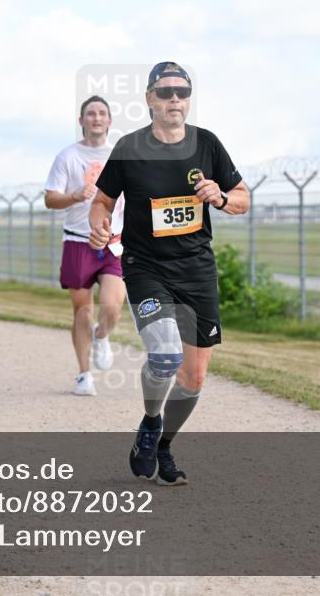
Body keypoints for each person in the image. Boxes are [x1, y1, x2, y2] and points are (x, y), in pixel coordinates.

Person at [90, 62, 250, 486]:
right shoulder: (129, 147)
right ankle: (150, 421)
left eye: (182, 91)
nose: (174, 99)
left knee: (194, 378)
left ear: (188, 98)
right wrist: (99, 223)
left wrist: (220, 197)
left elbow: (243, 198)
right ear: (149, 99)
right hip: (146, 267)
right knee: (165, 356)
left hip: (197, 269)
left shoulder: (207, 144)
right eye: (165, 92)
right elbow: (103, 201)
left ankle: (161, 445)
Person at [44, 95, 126, 396]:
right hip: (78, 241)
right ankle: (83, 375)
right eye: (90, 113)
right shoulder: (67, 156)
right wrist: (75, 195)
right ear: (81, 121)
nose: (96, 118)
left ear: (109, 121)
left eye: (102, 113)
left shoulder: (121, 156)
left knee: (113, 306)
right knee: (82, 311)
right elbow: (50, 198)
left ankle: (102, 337)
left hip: (113, 240)